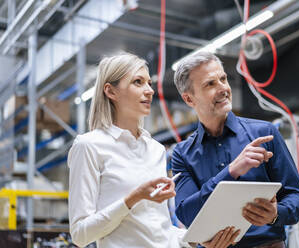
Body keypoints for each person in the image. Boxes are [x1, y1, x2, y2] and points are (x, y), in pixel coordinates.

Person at [67, 52, 239, 248]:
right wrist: (133, 198)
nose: (149, 90)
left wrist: (196, 239)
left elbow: (159, 230)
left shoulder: (155, 149)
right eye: (138, 82)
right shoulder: (89, 146)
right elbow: (80, 234)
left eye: (149, 83)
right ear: (111, 91)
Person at [172, 51, 299, 248]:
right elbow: (187, 214)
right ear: (189, 99)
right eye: (210, 84)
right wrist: (231, 171)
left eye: (223, 79)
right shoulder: (182, 154)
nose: (223, 89)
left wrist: (276, 213)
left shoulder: (264, 134)